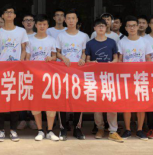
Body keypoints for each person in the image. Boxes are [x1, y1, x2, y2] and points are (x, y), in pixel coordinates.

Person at [0, 4, 29, 142]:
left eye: (11, 12)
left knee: (15, 100)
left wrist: (20, 62)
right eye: (6, 12)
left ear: (14, 15)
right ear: (3, 15)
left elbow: (24, 49)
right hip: (1, 70)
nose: (9, 14)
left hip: (16, 70)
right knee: (1, 101)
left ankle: (13, 129)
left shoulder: (21, 31)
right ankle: (1, 130)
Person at [86, 18, 122, 143]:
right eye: (98, 26)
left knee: (111, 104)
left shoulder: (112, 42)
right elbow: (87, 60)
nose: (101, 28)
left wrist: (112, 63)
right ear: (94, 28)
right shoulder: (90, 43)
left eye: (103, 26)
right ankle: (100, 128)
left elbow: (116, 58)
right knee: (97, 105)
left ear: (106, 28)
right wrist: (92, 62)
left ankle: (113, 130)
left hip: (109, 77)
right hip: (96, 78)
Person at [26, 14, 59, 142]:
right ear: (36, 25)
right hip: (34, 76)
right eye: (40, 24)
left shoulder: (52, 40)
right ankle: (40, 130)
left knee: (51, 104)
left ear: (47, 26)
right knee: (36, 104)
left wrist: (51, 58)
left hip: (49, 76)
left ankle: (50, 131)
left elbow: (55, 56)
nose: (42, 26)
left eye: (44, 24)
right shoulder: (30, 40)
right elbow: (27, 58)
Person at [56, 9, 88, 141]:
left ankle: (77, 128)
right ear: (65, 20)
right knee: (63, 99)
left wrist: (83, 59)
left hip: (78, 72)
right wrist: (63, 57)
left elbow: (85, 52)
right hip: (63, 72)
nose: (70, 21)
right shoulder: (60, 36)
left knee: (78, 99)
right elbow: (57, 52)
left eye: (73, 18)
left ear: (77, 20)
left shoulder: (84, 36)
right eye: (68, 18)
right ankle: (63, 128)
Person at [118, 16, 148, 141]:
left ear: (138, 27)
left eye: (134, 25)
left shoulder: (144, 41)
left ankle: (140, 130)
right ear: (125, 28)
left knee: (141, 104)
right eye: (129, 26)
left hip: (141, 77)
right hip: (127, 77)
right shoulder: (122, 42)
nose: (132, 28)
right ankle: (128, 129)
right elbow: (120, 60)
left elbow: (148, 59)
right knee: (127, 104)